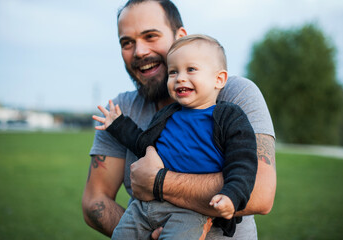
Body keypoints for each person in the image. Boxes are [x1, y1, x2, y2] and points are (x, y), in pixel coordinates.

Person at [82, 0, 276, 239]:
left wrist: (158, 182)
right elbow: (94, 201)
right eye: (127, 42)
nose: (139, 51)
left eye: (150, 36)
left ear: (179, 36)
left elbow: (260, 192)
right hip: (145, 215)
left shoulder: (236, 96)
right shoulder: (121, 110)